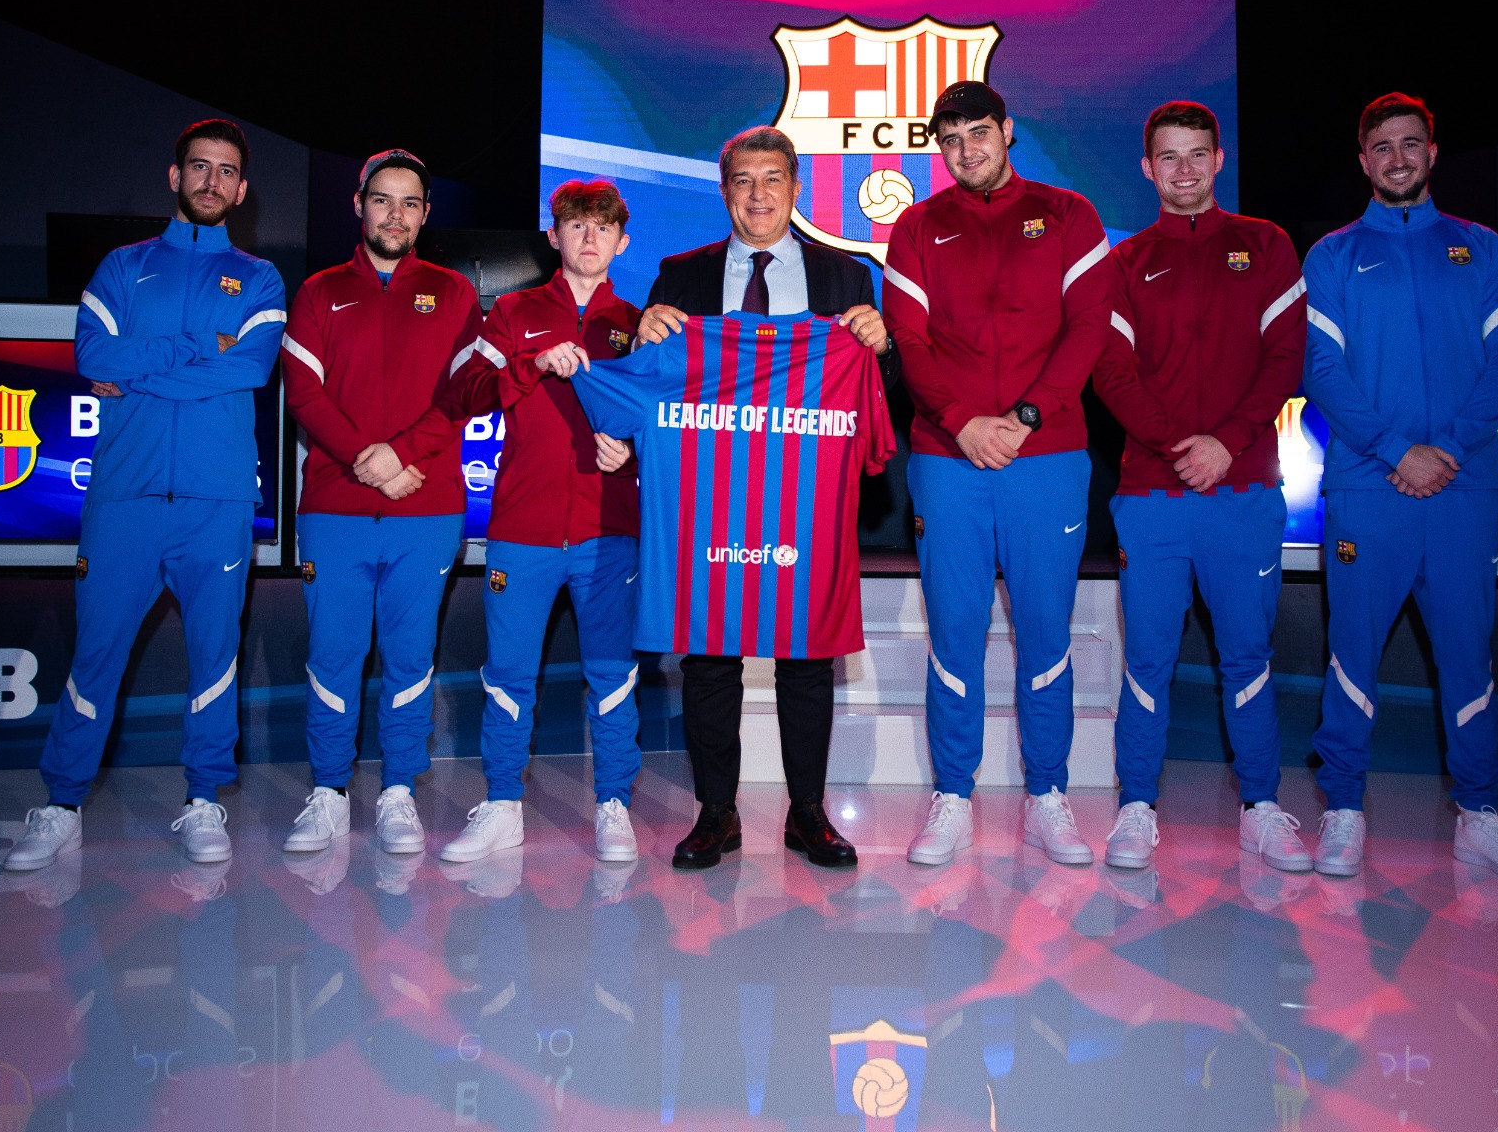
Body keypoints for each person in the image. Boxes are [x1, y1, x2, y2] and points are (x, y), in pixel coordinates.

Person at [4, 119, 285, 870]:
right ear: (175, 176)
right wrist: (195, 348)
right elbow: (92, 354)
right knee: (95, 654)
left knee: (214, 656)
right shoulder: (123, 267)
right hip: (123, 498)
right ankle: (62, 805)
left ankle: (204, 800)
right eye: (199, 167)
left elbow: (250, 368)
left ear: (242, 190)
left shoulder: (260, 278)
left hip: (217, 502)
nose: (211, 181)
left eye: (226, 171)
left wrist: (138, 372)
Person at [1301, 92, 1498, 883]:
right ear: (1363, 160)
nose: (1398, 158)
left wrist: (1446, 447)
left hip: (1462, 486)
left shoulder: (1482, 249)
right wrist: (1393, 450)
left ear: (1433, 153)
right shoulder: (1332, 256)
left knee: (1468, 654)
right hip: (1367, 489)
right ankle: (1344, 809)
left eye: (1411, 144)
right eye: (1382, 146)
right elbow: (1322, 371)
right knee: (1352, 653)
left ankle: (1480, 814)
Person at [635, 125, 894, 869]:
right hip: (712, 496)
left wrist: (881, 347)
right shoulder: (679, 274)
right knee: (710, 654)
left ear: (796, 188)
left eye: (772, 178)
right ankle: (716, 812)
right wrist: (640, 336)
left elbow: (878, 390)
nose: (758, 195)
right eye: (743, 181)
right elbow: (652, 384)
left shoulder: (846, 277)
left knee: (807, 656)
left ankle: (807, 812)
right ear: (724, 192)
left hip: (807, 498)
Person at [882, 82, 1112, 866]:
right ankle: (953, 795)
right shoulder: (917, 227)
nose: (966, 150)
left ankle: (1047, 795)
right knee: (955, 630)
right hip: (948, 459)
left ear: (1008, 130)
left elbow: (1089, 328)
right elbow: (909, 341)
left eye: (978, 132)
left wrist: (1026, 417)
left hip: (1046, 456)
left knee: (1045, 629)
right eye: (950, 140)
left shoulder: (1069, 214)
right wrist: (961, 422)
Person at [1090, 101, 1311, 873]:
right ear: (1147, 169)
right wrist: (1174, 444)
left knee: (1247, 656)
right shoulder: (1124, 262)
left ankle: (1262, 807)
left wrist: (1227, 443)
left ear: (1219, 160)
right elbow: (1111, 372)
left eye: (1196, 155)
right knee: (1147, 659)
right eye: (1168, 157)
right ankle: (1136, 807)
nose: (1183, 170)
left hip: (1242, 491)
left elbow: (1285, 358)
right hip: (1151, 497)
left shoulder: (1267, 244)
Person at [435, 179, 647, 865]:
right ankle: (503, 806)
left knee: (612, 673)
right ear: (553, 236)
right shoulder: (512, 313)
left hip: (608, 530)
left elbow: (673, 423)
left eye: (603, 227)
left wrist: (634, 452)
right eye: (576, 225)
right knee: (507, 673)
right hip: (522, 529)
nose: (589, 237)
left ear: (622, 241)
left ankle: (613, 804)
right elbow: (464, 392)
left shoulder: (639, 325)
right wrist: (530, 364)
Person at [277, 150, 477, 855]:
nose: (396, 214)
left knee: (410, 657)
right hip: (335, 509)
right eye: (383, 200)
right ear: (359, 204)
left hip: (427, 509)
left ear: (425, 213)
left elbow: (464, 393)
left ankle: (398, 792)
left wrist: (402, 455)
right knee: (333, 655)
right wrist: (372, 461)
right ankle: (329, 791)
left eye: (410, 203)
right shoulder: (318, 291)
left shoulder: (454, 292)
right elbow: (304, 394)